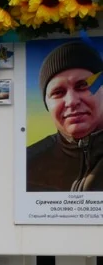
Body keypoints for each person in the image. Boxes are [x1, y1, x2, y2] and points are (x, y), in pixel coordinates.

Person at [27, 39, 103, 190]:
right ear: (47, 104)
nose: (71, 101)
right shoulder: (27, 163)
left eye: (83, 86)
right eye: (58, 92)